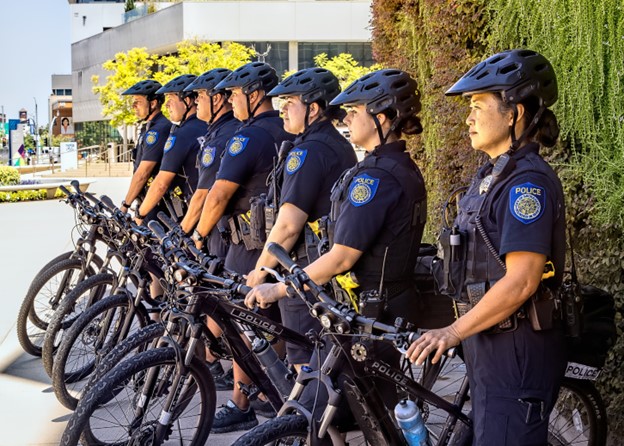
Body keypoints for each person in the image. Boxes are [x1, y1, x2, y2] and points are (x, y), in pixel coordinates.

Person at [405, 49, 566, 445]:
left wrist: (452, 332)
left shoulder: (526, 185)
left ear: (514, 113)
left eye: (479, 105)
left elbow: (522, 281)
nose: (468, 117)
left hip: (517, 349)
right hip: (489, 345)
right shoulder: (492, 176)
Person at [245, 68, 427, 418]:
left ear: (382, 118)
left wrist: (278, 289)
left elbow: (342, 257)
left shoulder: (376, 178)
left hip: (371, 311)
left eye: (356, 111)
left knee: (317, 409)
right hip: (372, 308)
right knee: (365, 413)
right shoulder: (388, 166)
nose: (346, 117)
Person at [192, 61, 294, 433]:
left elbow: (217, 194)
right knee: (274, 322)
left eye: (235, 93)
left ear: (254, 95)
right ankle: (269, 392)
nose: (230, 99)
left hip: (248, 242)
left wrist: (198, 235)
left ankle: (241, 400)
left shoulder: (246, 135)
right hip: (276, 241)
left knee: (240, 322)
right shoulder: (285, 129)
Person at [245, 67, 357, 372]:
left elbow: (288, 224)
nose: (283, 110)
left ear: (314, 108)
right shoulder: (337, 144)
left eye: (290, 102)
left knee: (305, 370)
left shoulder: (308, 152)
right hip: (322, 268)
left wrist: (259, 272)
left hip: (302, 268)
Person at [179, 68, 240, 260]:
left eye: (200, 95)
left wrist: (181, 236)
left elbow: (205, 195)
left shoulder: (221, 138)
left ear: (216, 99)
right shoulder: (225, 129)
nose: (195, 100)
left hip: (222, 230)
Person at [135, 74, 206, 223]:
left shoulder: (181, 134)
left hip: (191, 214)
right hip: (207, 213)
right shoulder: (210, 129)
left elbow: (161, 183)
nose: (167, 105)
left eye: (170, 100)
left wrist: (139, 215)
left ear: (186, 101)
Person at [119, 80, 171, 216]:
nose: (133, 106)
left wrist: (125, 205)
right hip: (146, 201)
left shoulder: (159, 129)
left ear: (153, 103)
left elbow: (144, 173)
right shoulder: (148, 127)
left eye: (138, 101)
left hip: (156, 205)